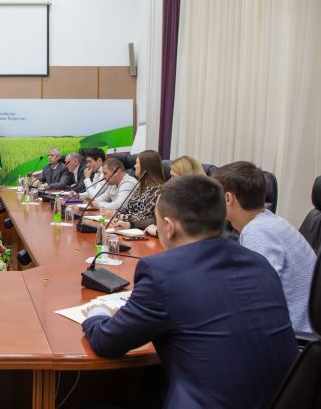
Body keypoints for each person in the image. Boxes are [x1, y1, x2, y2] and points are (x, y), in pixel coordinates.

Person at [81, 175, 298, 409]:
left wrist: (97, 315)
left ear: (169, 227)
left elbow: (108, 343)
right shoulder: (259, 262)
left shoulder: (162, 273)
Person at [214, 161, 316, 333]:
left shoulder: (257, 231)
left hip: (292, 335)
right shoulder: (268, 220)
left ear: (227, 199)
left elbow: (255, 298)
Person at [105, 150, 165, 230]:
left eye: (137, 163)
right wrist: (113, 212)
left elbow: (144, 217)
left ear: (145, 167)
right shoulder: (141, 186)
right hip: (129, 229)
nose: (134, 166)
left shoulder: (157, 189)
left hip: (143, 233)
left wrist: (118, 216)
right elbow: (128, 207)